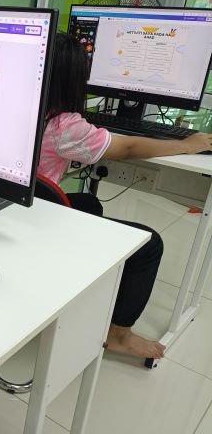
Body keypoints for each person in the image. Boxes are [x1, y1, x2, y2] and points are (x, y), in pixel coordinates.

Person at [39, 33, 212, 360]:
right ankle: (118, 334)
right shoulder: (65, 126)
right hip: (38, 220)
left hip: (15, 208)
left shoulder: (21, 108)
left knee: (90, 203)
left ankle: (80, 279)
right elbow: (129, 148)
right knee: (149, 245)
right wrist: (186, 145)